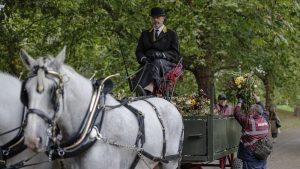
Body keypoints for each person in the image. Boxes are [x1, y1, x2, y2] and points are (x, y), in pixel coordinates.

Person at [133, 7, 180, 95]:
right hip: (148, 62)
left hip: (165, 64)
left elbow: (175, 54)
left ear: (163, 18)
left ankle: (149, 88)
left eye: (158, 17)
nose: (155, 20)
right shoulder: (145, 34)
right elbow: (139, 51)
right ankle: (137, 90)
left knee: (157, 62)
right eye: (153, 17)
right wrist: (143, 58)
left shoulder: (171, 34)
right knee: (145, 66)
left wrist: (161, 54)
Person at [234, 94, 269, 169]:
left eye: (250, 111)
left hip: (249, 155)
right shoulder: (265, 119)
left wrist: (239, 102)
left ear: (254, 112)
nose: (249, 113)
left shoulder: (248, 122)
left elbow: (237, 114)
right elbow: (265, 112)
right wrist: (258, 100)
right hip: (262, 153)